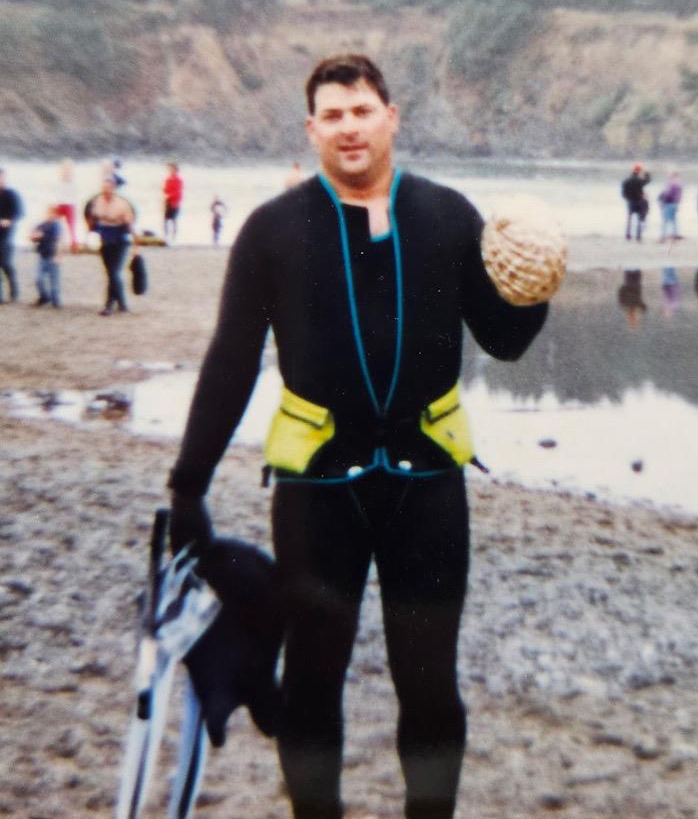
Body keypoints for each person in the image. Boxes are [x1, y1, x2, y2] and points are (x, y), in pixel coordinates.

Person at [167, 54, 550, 819]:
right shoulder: (272, 231)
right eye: (332, 115)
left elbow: (504, 341)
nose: (348, 127)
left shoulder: (446, 216)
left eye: (362, 110)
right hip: (318, 493)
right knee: (312, 681)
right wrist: (188, 483)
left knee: (430, 683)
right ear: (312, 129)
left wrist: (535, 290)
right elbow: (232, 361)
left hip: (427, 487)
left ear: (391, 117)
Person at [87, 177, 136, 315]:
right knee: (110, 273)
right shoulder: (97, 201)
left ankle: (108, 304)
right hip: (105, 239)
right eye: (103, 188)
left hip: (120, 240)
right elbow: (91, 218)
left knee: (114, 272)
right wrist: (90, 234)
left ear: (113, 189)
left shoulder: (122, 204)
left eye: (108, 188)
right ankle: (122, 303)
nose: (105, 191)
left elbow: (130, 223)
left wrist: (136, 244)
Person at [30, 205, 63, 308]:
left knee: (54, 282)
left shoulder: (57, 226)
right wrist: (34, 237)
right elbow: (33, 237)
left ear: (56, 215)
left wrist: (58, 255)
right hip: (42, 256)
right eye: (48, 213)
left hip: (52, 255)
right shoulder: (41, 225)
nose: (49, 215)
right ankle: (44, 296)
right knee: (38, 278)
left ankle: (55, 301)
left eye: (52, 213)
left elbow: (59, 241)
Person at [0, 169, 23, 304]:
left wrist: (9, 221)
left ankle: (14, 291)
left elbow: (19, 212)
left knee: (6, 263)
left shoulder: (11, 194)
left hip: (7, 234)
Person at [55, 158, 79, 252]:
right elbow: (56, 193)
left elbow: (74, 194)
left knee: (71, 227)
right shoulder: (60, 180)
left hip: (70, 205)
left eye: (68, 169)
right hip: (60, 204)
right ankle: (59, 244)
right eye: (64, 168)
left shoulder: (72, 181)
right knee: (57, 226)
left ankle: (74, 246)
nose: (66, 170)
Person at [621, 164, 651, 241]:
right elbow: (648, 180)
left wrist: (628, 198)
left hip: (630, 201)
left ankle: (628, 234)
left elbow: (623, 193)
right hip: (639, 201)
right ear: (639, 172)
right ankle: (638, 235)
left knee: (630, 218)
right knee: (640, 219)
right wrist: (646, 172)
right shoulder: (639, 181)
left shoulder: (626, 181)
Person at [163, 161, 184, 244]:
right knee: (165, 220)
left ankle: (174, 238)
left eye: (171, 169)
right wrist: (167, 194)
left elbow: (178, 192)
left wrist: (171, 196)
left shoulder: (178, 179)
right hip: (168, 201)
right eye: (169, 169)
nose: (170, 170)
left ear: (175, 170)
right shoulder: (168, 179)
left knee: (174, 220)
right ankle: (166, 236)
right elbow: (165, 189)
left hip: (175, 202)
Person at [658, 172, 682, 242]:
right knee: (673, 221)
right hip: (675, 203)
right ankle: (674, 235)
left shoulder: (671, 183)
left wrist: (662, 202)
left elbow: (667, 194)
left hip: (668, 203)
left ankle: (663, 237)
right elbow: (679, 196)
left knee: (665, 221)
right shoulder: (679, 184)